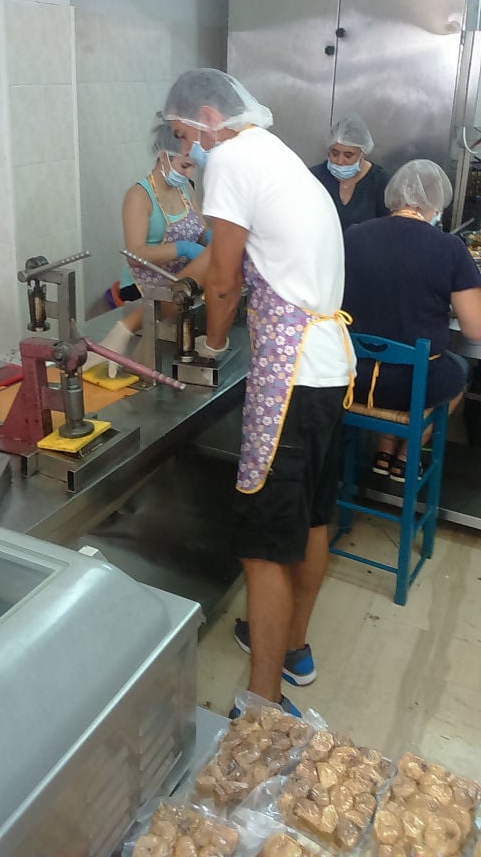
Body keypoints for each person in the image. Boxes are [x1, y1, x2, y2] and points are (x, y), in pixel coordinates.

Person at [163, 69, 355, 716]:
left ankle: (262, 706)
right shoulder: (278, 159)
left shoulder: (233, 159)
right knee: (310, 519)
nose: (186, 148)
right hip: (329, 371)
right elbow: (234, 260)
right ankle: (293, 650)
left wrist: (212, 346)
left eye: (184, 134)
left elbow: (224, 280)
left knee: (261, 541)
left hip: (289, 380)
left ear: (210, 116)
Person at [343, 159, 481, 482]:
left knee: (387, 351)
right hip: (411, 387)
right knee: (459, 373)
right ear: (435, 204)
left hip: (353, 378)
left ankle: (383, 450)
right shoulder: (449, 248)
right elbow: (474, 329)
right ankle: (408, 454)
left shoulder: (355, 235)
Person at [98, 119, 211, 375]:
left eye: (192, 167)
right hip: (144, 286)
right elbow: (135, 255)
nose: (188, 173)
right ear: (163, 156)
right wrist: (182, 248)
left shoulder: (185, 188)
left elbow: (201, 229)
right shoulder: (139, 196)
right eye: (184, 165)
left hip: (182, 282)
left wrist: (213, 238)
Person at [310, 114, 390, 231]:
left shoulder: (380, 182)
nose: (340, 161)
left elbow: (388, 226)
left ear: (362, 153)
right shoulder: (315, 178)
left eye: (348, 155)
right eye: (335, 153)